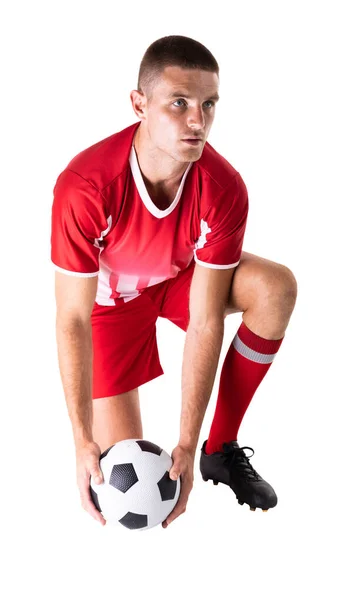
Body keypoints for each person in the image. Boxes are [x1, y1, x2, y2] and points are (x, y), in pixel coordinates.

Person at [50, 35, 298, 528]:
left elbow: (206, 320)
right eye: (179, 103)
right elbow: (73, 317)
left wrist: (188, 439)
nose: (197, 121)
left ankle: (219, 449)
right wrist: (81, 440)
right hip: (109, 308)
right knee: (122, 485)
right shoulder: (87, 186)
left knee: (275, 286)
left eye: (209, 104)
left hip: (178, 279)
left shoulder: (223, 188)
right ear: (139, 104)